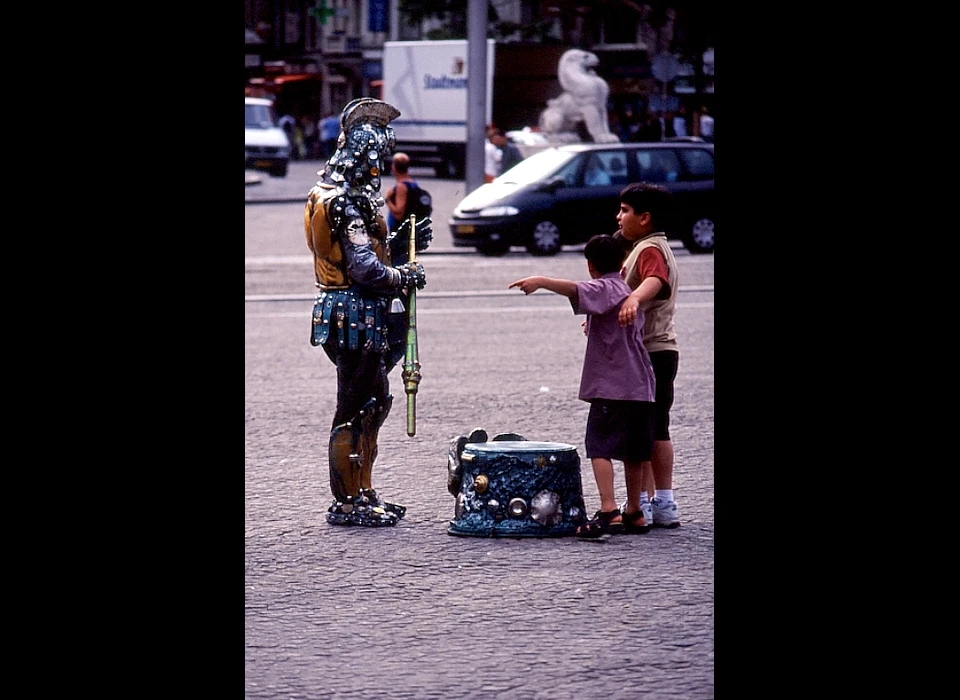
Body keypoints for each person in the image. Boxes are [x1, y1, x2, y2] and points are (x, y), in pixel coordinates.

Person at [303, 98, 433, 527]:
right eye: (374, 160)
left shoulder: (341, 198)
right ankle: (346, 499)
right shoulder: (344, 203)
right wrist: (404, 275)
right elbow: (363, 269)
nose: (377, 171)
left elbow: (366, 253)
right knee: (356, 406)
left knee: (375, 403)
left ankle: (364, 490)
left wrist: (404, 242)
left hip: (361, 312)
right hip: (352, 312)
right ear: (362, 160)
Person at [508, 234, 656, 538]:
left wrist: (540, 280)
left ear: (590, 266)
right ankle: (635, 511)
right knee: (634, 452)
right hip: (641, 384)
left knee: (599, 446)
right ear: (622, 263)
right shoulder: (626, 289)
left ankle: (608, 508)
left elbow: (576, 290)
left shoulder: (604, 287)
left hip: (612, 385)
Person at [614, 182, 681, 529]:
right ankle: (660, 504)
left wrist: (633, 299)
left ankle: (644, 501)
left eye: (625, 210)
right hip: (662, 350)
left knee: (645, 428)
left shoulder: (649, 248)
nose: (619, 216)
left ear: (645, 217)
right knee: (656, 427)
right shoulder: (651, 246)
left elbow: (655, 279)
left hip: (650, 351)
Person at [384, 151, 416, 232]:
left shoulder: (401, 187)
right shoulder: (412, 183)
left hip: (399, 230)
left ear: (394, 167)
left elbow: (399, 214)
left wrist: (387, 200)